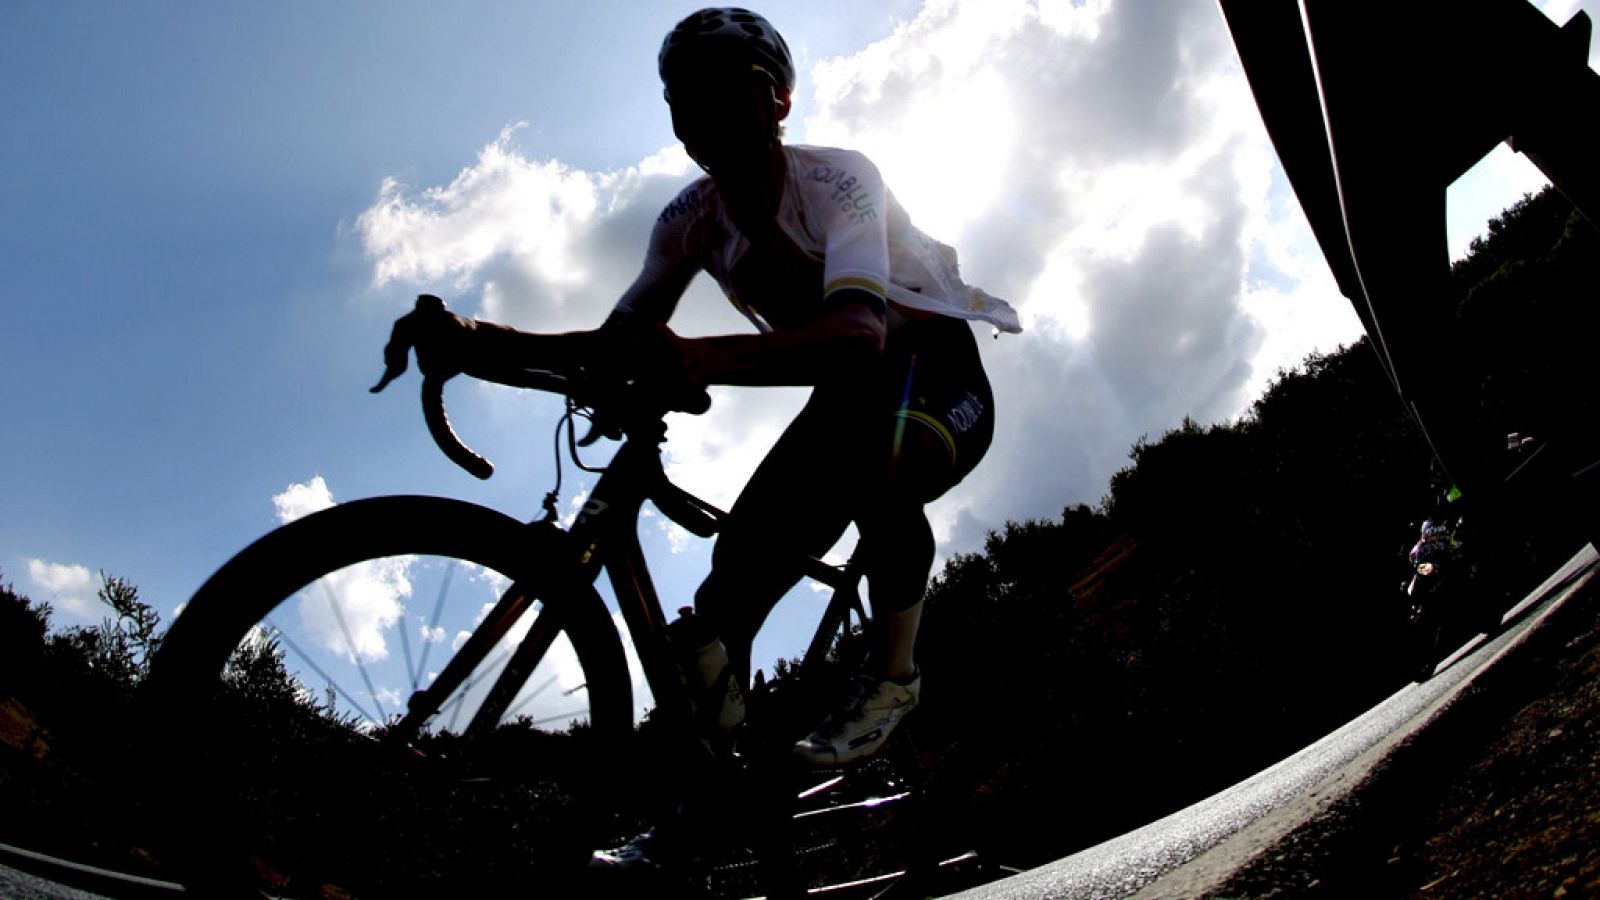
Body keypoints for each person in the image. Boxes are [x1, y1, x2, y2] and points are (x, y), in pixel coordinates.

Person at [389, 6, 1020, 873]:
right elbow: (617, 346)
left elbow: (858, 337)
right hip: (842, 403)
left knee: (882, 459)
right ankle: (712, 814)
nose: (709, 114)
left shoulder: (841, 182)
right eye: (687, 101)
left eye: (735, 93)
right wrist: (473, 341)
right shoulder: (688, 219)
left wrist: (695, 358)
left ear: (780, 101)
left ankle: (894, 679)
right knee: (713, 626)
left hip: (932, 373)